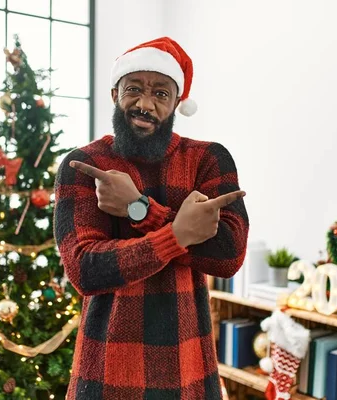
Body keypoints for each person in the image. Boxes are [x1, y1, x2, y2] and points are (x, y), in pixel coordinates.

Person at [53, 36, 249, 400]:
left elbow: (228, 254)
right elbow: (85, 270)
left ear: (177, 103)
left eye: (161, 93)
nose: (145, 104)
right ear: (115, 93)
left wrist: (138, 208)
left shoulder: (207, 159)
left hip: (187, 366)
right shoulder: (84, 164)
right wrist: (178, 234)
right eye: (134, 89)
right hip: (106, 370)